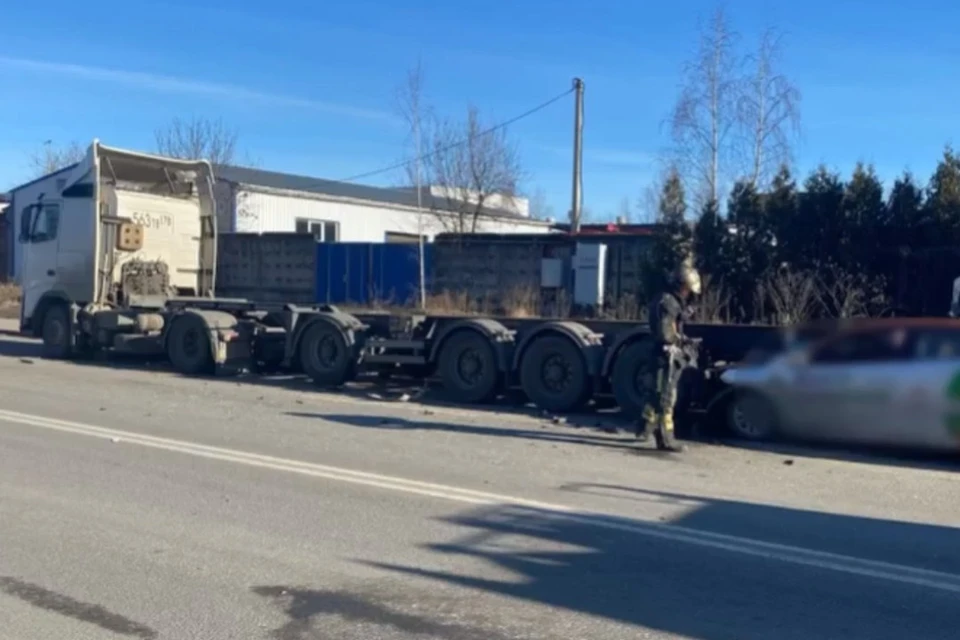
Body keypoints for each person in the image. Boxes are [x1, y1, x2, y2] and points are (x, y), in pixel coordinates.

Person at [636, 260, 702, 452]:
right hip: (666, 357)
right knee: (665, 397)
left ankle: (644, 428)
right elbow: (666, 333)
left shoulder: (667, 300)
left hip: (661, 354)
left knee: (655, 395)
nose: (688, 294)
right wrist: (680, 342)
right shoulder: (668, 303)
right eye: (687, 289)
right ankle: (666, 440)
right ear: (681, 285)